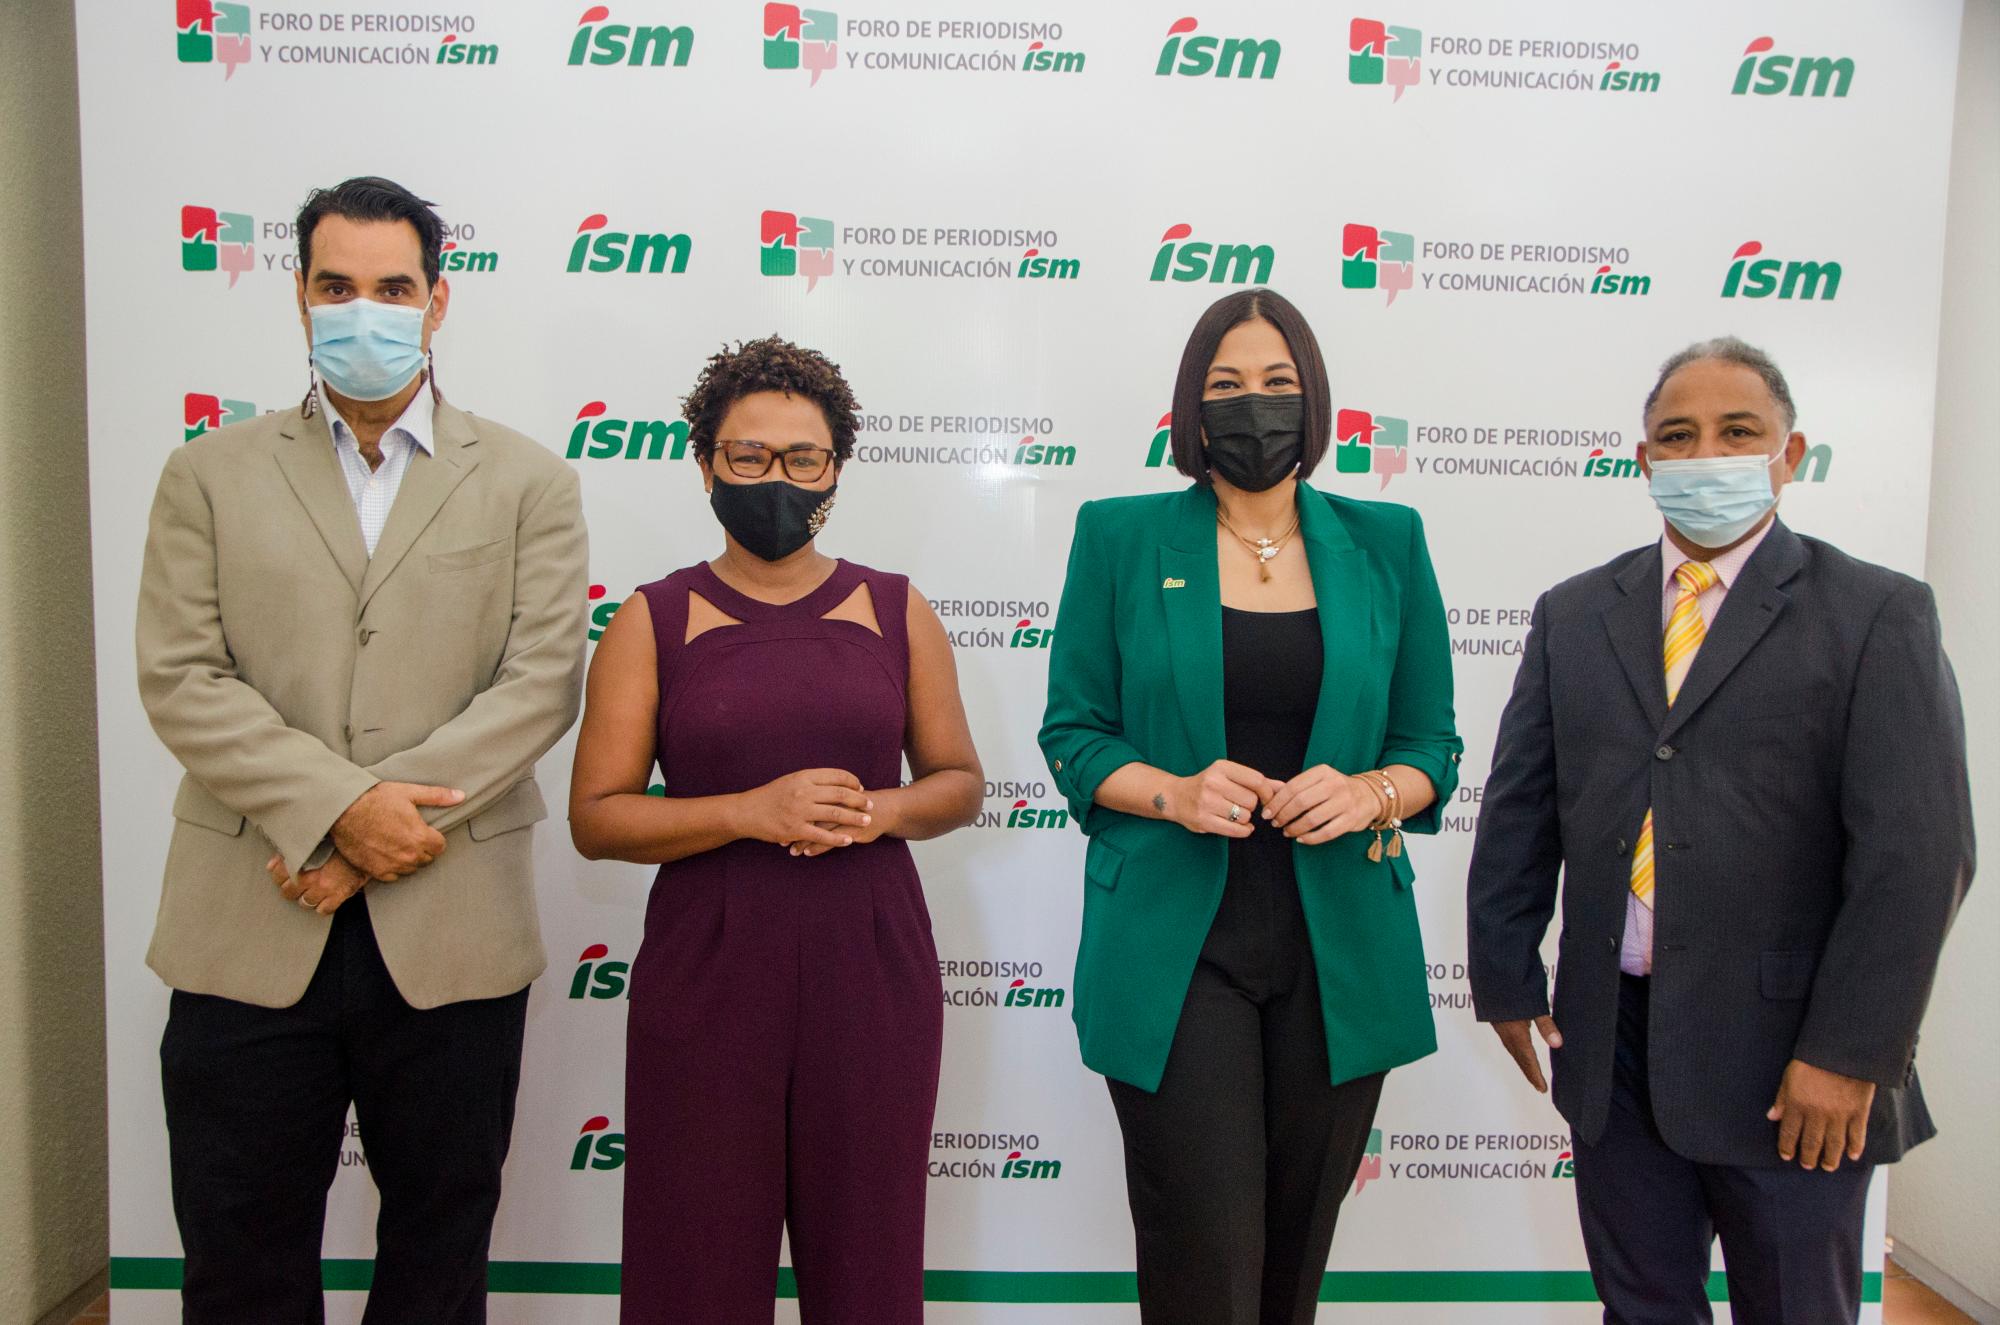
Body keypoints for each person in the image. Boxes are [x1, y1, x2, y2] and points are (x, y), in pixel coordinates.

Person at [136, 175, 589, 1323]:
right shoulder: (208, 473)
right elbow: (183, 676)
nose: (364, 310)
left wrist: (375, 824)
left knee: (438, 1259)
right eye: (336, 285)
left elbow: (538, 683)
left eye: (393, 287)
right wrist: (341, 811)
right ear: (297, 294)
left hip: (451, 930)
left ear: (439, 300)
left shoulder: (530, 479)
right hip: (250, 916)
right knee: (240, 1259)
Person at [1467, 337, 1974, 1324]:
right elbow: (1520, 808)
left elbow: (1916, 855)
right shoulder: (1574, 613)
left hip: (1793, 1062)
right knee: (1640, 1307)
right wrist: (1504, 976)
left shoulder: (1875, 613)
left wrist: (1850, 1051)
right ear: (1643, 458)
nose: (1705, 455)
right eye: (1676, 436)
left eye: (1736, 432)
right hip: (1611, 1044)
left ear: (1790, 453)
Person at [1038, 288, 1462, 1324]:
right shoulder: (1119, 536)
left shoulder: (1387, 541)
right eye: (1225, 384)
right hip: (1176, 946)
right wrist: (1173, 791)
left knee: (1288, 1267)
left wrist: (1370, 792)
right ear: (1189, 407)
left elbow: (1430, 748)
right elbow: (1073, 733)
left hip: (1339, 950)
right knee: (1202, 1260)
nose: (1252, 404)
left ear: (1312, 400)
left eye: (1276, 383)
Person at [568, 335, 983, 1323]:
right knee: (694, 1260)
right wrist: (751, 812)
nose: (775, 479)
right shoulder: (653, 617)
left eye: (802, 458)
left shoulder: (893, 607)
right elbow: (595, 815)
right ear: (705, 461)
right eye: (748, 456)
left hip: (870, 956)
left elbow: (959, 781)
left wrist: (870, 810)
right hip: (708, 965)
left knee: (869, 1260)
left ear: (835, 467)